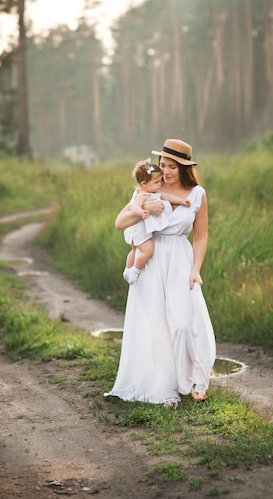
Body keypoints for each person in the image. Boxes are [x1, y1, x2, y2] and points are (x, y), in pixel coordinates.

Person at [104, 139, 216, 405]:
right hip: (152, 258)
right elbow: (120, 222)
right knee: (154, 325)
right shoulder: (150, 187)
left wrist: (196, 270)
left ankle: (192, 380)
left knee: (183, 322)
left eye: (171, 167)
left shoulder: (197, 194)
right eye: (163, 165)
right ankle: (162, 383)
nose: (165, 171)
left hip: (180, 259)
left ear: (184, 168)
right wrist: (146, 210)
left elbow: (200, 237)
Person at [123, 159, 191, 285]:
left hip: (141, 229)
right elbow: (135, 207)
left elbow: (167, 197)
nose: (160, 184)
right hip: (139, 230)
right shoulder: (141, 195)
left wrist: (181, 201)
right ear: (144, 183)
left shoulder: (152, 192)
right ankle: (134, 271)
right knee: (147, 250)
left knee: (135, 251)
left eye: (160, 181)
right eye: (156, 182)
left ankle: (127, 270)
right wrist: (142, 211)